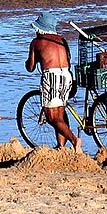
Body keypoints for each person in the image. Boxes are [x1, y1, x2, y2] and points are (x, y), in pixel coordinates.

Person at [25, 12, 82, 153]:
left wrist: (32, 59)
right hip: (67, 76)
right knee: (60, 115)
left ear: (39, 29)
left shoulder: (36, 42)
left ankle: (75, 141)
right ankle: (61, 146)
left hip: (52, 78)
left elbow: (31, 67)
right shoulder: (62, 40)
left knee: (51, 118)